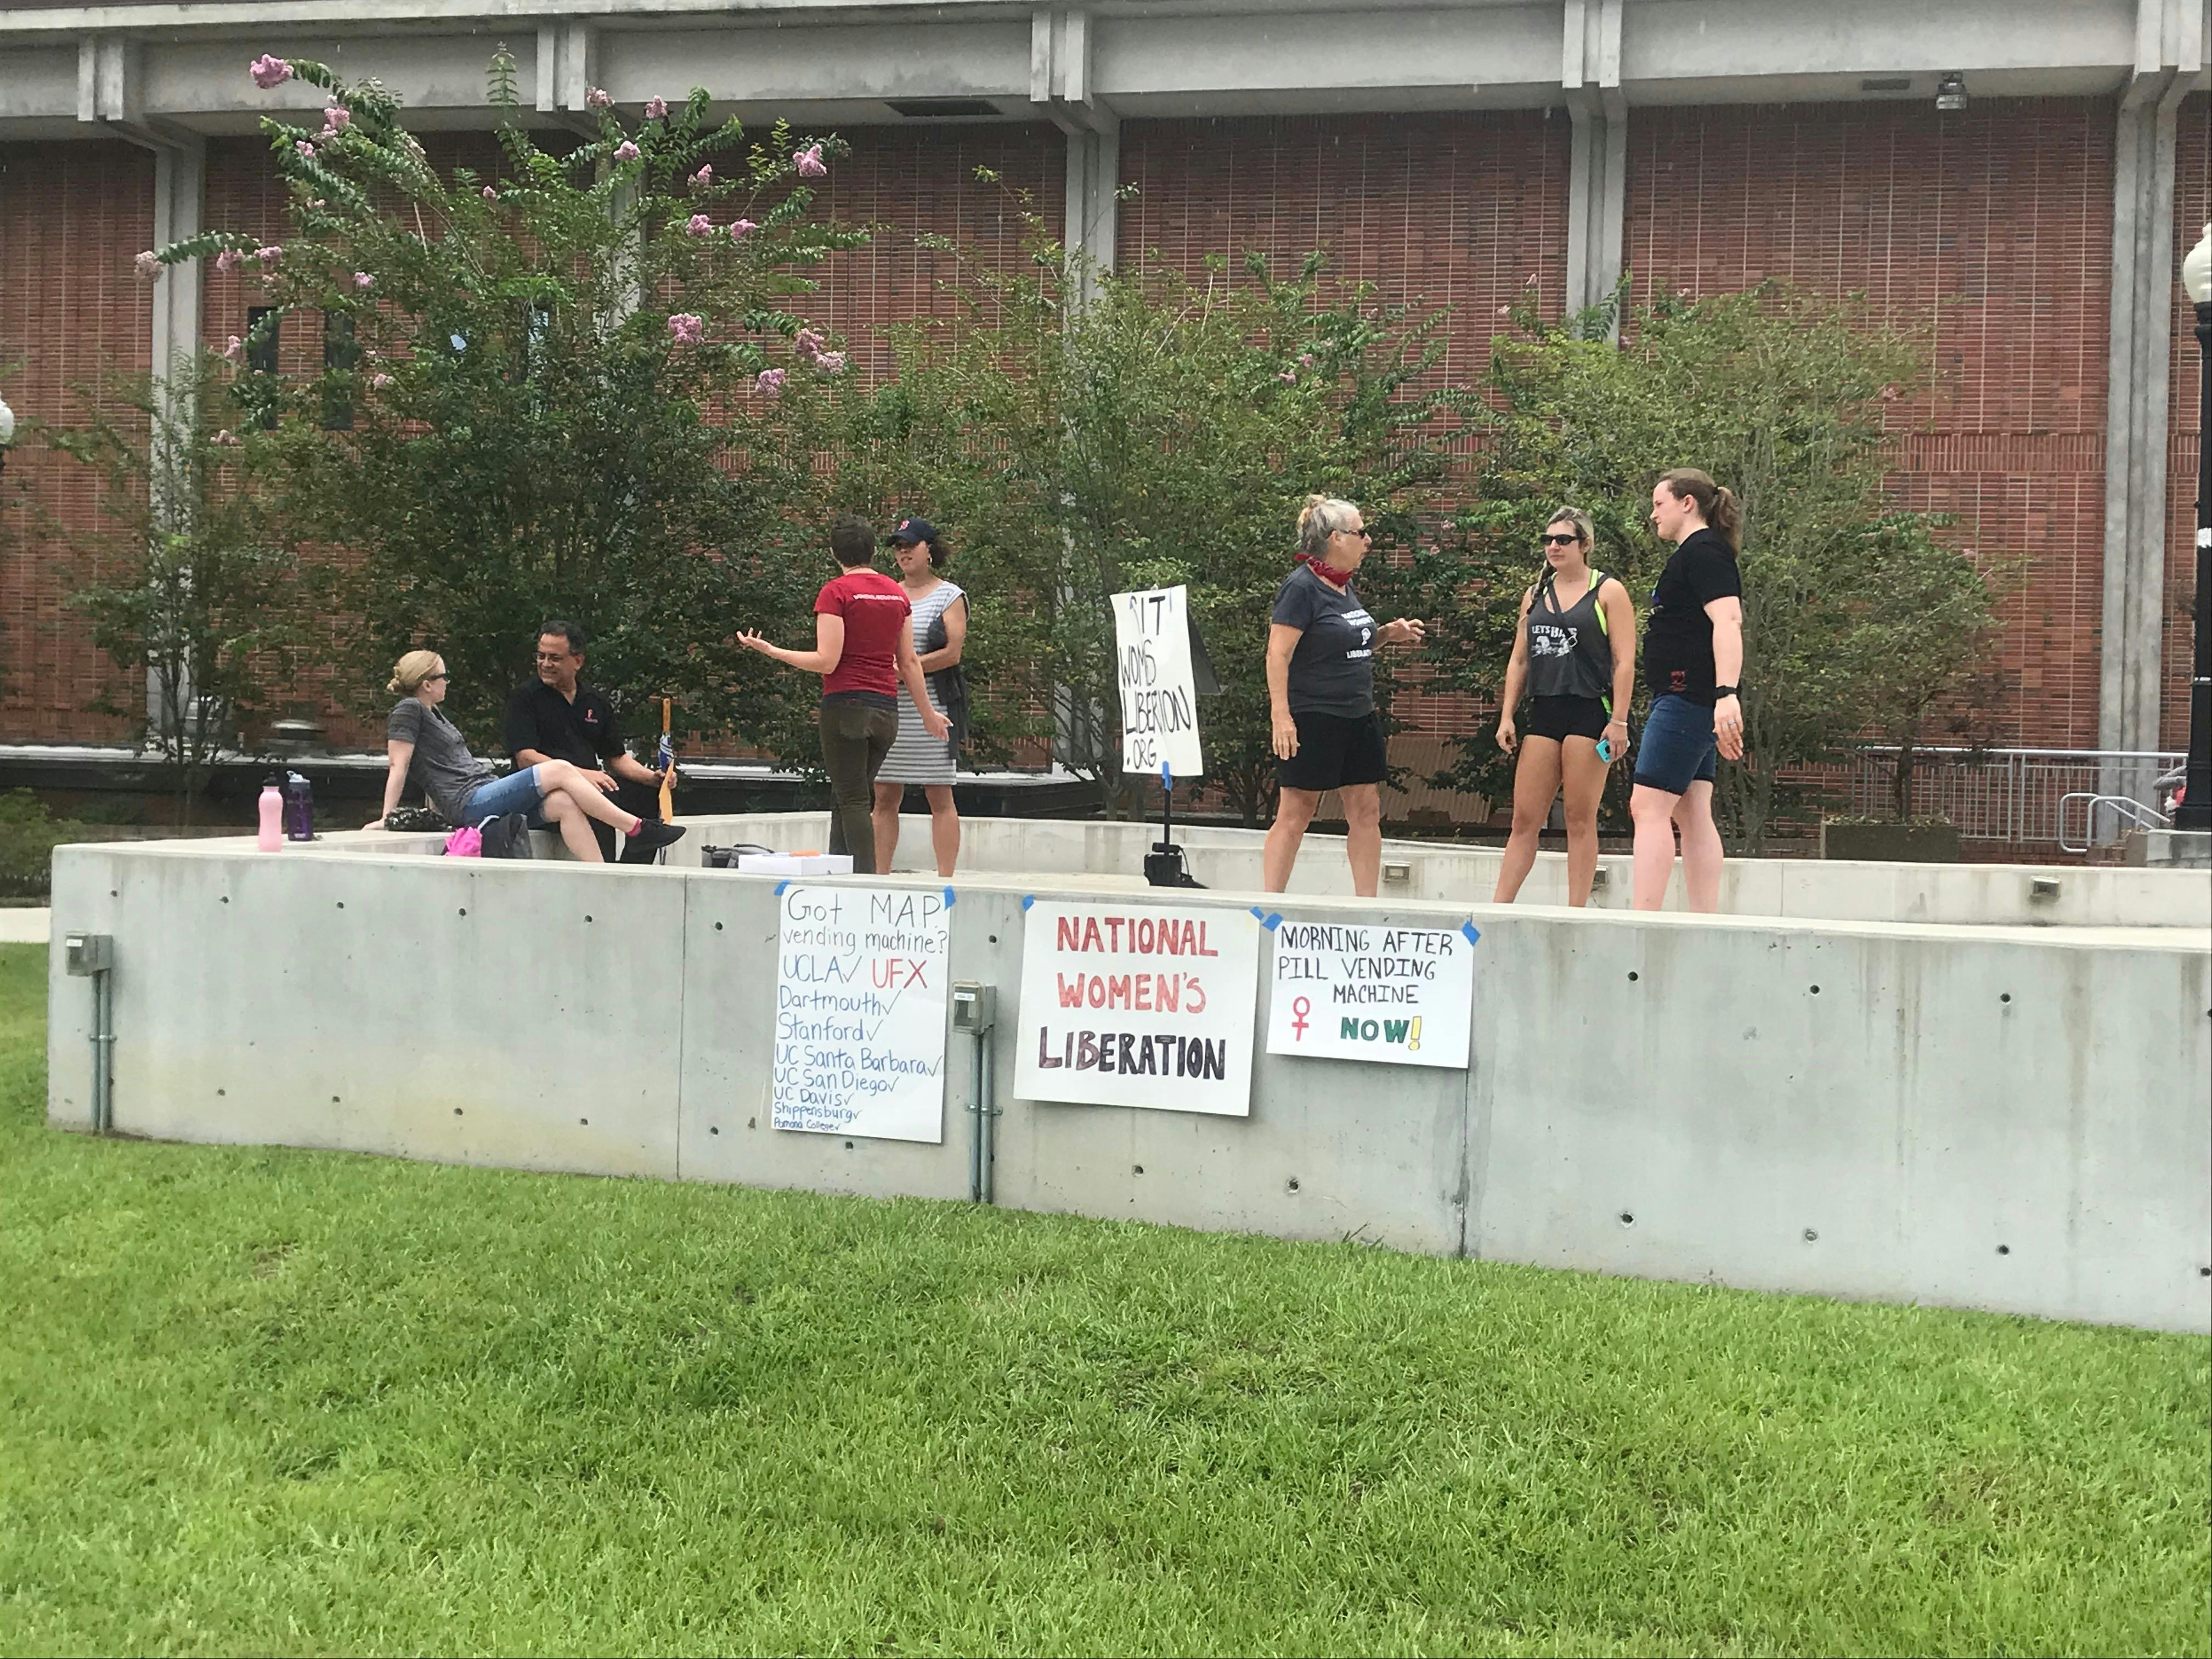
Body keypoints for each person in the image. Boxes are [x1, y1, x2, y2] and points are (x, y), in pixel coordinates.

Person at [738, 517, 949, 876]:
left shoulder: (836, 592)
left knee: (853, 798)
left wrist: (773, 651)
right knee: (848, 791)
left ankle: (865, 884)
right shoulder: (896, 594)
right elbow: (909, 661)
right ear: (871, 551)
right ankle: (838, 870)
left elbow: (827, 660)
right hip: (886, 711)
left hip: (846, 706)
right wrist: (927, 713)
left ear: (834, 553)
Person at [368, 650, 685, 861]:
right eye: (443, 677)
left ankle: (601, 877)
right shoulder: (408, 710)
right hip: (470, 801)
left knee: (563, 802)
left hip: (482, 792)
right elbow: (399, 764)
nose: (447, 682)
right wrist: (387, 818)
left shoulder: (433, 713)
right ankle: (638, 829)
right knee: (560, 769)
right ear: (427, 684)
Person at [1262, 495, 1426, 896]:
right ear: (1336, 538)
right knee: (1297, 810)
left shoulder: (1343, 586)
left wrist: (1389, 633)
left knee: (1367, 810)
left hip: (1357, 713)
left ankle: (1366, 907)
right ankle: (1267, 904)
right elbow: (1278, 653)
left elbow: (1348, 642)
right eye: (1361, 532)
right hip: (1315, 714)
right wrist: (1281, 716)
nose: (1368, 541)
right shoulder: (1301, 588)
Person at [1493, 507, 1637, 906]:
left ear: (1585, 545)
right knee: (1524, 818)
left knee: (1578, 817)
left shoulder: (1608, 591)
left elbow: (1625, 660)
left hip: (1590, 708)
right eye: (1548, 540)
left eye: (1563, 540)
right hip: (1545, 708)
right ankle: (1499, 906)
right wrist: (1507, 713)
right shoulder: (1536, 593)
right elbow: (1520, 659)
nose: (1553, 547)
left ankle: (1577, 910)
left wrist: (1619, 720)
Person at [1630, 468, 1745, 912]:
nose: (1654, 514)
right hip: (1688, 697)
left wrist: (1726, 693)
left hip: (1688, 697)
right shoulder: (1695, 554)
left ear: (1687, 503)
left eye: (1659, 504)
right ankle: (1704, 918)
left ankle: (1645, 918)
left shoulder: (1704, 553)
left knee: (1648, 807)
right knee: (1692, 811)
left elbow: (1728, 621)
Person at [504, 620, 673, 865]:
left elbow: (616, 757)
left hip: (594, 783)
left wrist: (655, 777)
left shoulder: (595, 701)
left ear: (578, 661)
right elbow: (526, 757)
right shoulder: (524, 698)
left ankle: (632, 870)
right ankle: (603, 873)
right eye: (541, 656)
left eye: (555, 658)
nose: (545, 664)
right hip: (545, 794)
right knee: (594, 798)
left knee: (649, 795)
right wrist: (582, 775)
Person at [870, 517, 967, 877]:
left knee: (939, 795)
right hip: (890, 704)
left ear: (931, 549)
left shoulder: (950, 595)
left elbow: (952, 653)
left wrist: (910, 667)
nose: (903, 552)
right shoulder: (887, 592)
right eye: (898, 547)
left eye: (911, 545)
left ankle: (946, 879)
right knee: (883, 795)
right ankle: (880, 875)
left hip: (933, 704)